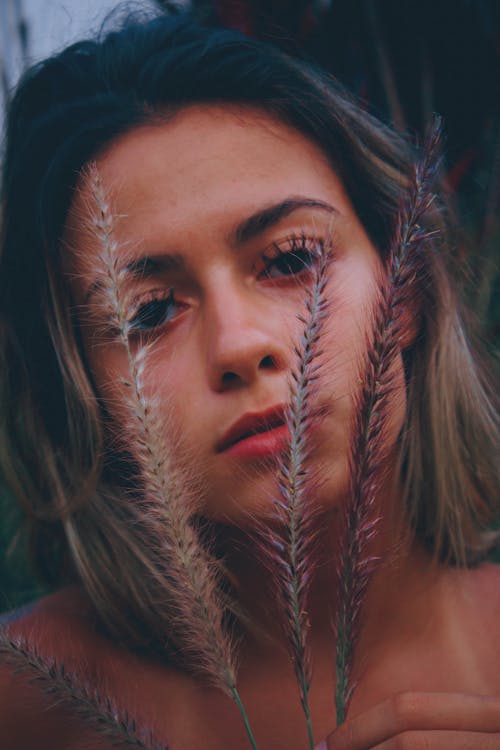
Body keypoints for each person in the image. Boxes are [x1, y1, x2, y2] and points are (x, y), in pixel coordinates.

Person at [1, 7, 499, 750]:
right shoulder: (26, 701)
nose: (240, 346)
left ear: (410, 295)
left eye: (292, 259)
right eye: (150, 313)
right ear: (89, 401)